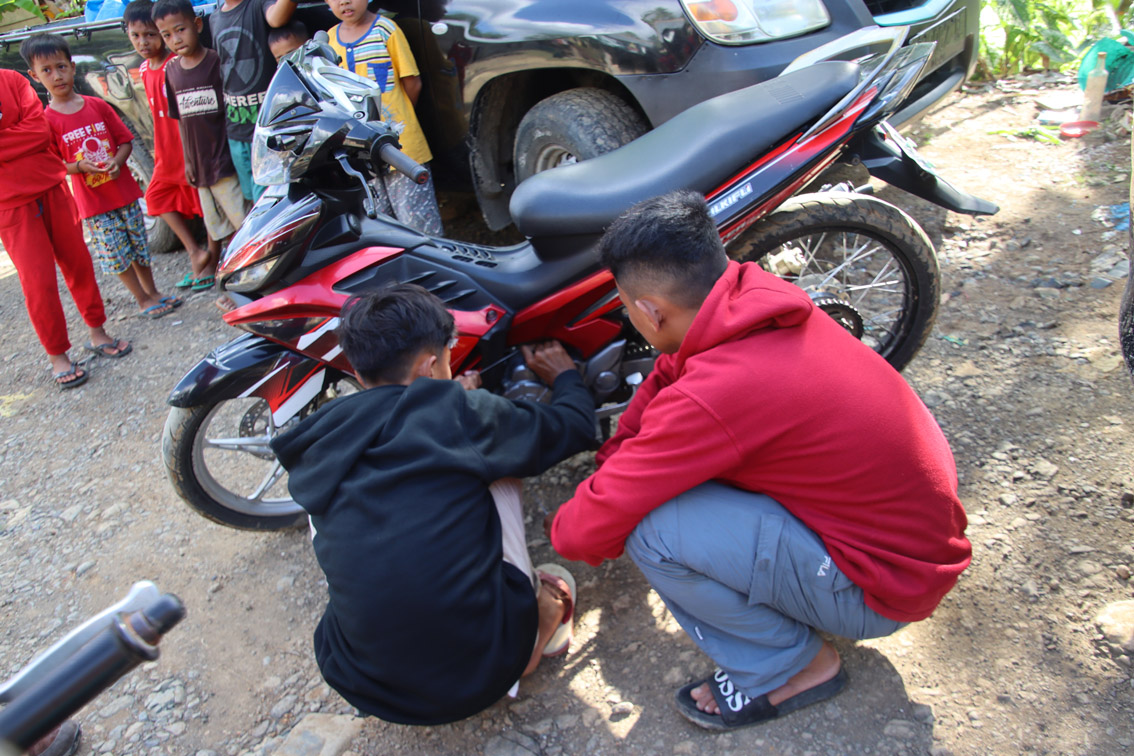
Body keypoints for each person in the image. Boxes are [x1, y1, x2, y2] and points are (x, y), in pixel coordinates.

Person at [546, 191, 972, 731]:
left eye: (626, 306)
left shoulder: (718, 394)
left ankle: (794, 668)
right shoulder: (752, 297)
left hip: (883, 588)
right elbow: (669, 372)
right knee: (666, 489)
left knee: (652, 531)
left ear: (649, 311)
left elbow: (580, 536)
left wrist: (589, 503)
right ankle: (798, 608)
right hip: (908, 547)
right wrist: (617, 463)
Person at [270, 284, 598, 724]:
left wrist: (447, 397)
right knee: (500, 467)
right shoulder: (461, 416)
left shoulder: (323, 435)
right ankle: (535, 630)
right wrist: (565, 377)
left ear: (360, 370)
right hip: (485, 672)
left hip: (366, 683)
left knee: (343, 517)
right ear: (429, 366)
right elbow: (576, 427)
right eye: (447, 356)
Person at [23, 33, 180, 321]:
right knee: (116, 255)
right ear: (34, 76)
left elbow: (125, 141)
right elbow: (54, 165)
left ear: (72, 67)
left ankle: (153, 291)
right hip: (95, 205)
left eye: (61, 67)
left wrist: (117, 163)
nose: (57, 76)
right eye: (47, 70)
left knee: (138, 246)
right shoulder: (47, 122)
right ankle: (142, 298)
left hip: (124, 193)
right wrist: (79, 167)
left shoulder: (97, 105)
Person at [0, 72, 130, 390]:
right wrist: (18, 139)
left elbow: (38, 132)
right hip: (10, 204)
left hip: (52, 187)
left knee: (79, 264)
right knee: (38, 282)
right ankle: (58, 355)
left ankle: (98, 332)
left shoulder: (12, 80)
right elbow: (29, 135)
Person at [124, 0, 219, 292]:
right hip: (165, 150)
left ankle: (212, 260)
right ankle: (195, 252)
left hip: (186, 146)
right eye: (136, 36)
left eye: (150, 35)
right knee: (156, 197)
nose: (143, 42)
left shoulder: (174, 66)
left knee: (205, 204)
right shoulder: (145, 68)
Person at [325, 0, 443, 235]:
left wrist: (397, 122)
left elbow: (412, 83)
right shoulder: (328, 41)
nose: (344, 1)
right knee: (381, 228)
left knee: (419, 225)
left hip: (403, 150)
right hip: (361, 154)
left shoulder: (386, 30)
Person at [154, 0, 247, 293]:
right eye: (167, 35)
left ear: (197, 25)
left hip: (224, 160)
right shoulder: (171, 71)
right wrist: (188, 161)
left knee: (242, 221)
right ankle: (235, 272)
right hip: (199, 165)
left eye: (180, 30)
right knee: (217, 224)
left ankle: (254, 271)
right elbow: (180, 121)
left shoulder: (215, 62)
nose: (175, 39)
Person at [211, 0, 297, 204]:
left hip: (266, 131)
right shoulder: (214, 18)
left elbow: (276, 18)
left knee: (267, 198)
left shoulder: (257, 5)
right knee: (251, 197)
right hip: (235, 129)